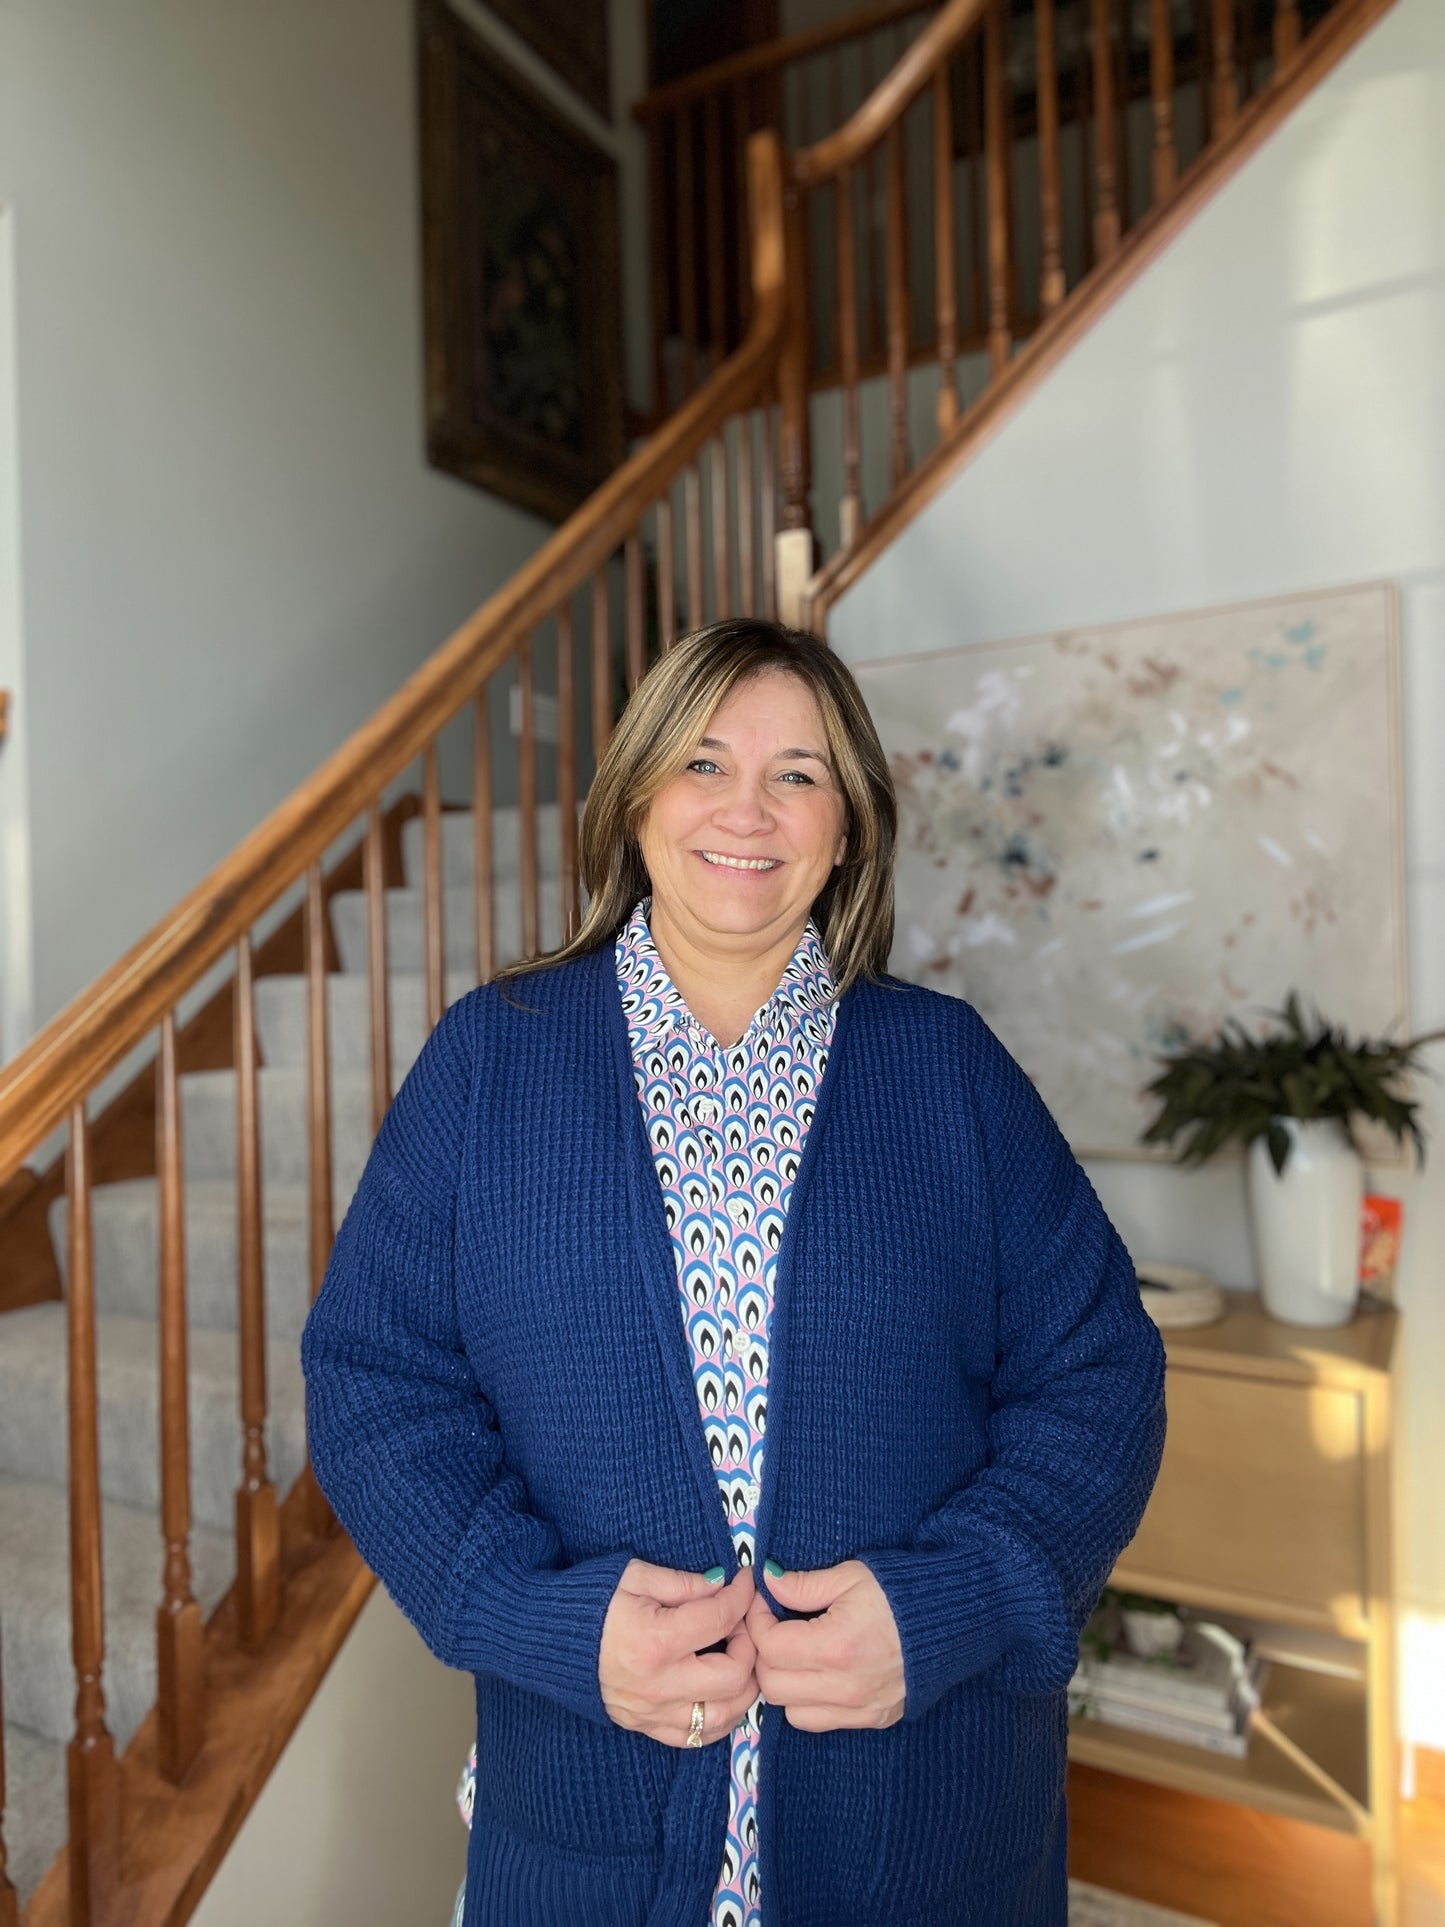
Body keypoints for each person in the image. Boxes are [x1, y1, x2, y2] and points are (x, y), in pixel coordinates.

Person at [300, 617, 1167, 1927]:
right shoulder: (491, 1063)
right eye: (703, 764)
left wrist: (956, 1600)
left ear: (849, 822)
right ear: (637, 793)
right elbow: (376, 1382)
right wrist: (534, 1615)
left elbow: (1096, 1377)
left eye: (798, 774)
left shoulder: (947, 1072)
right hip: (585, 1819)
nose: (747, 811)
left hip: (923, 1830)